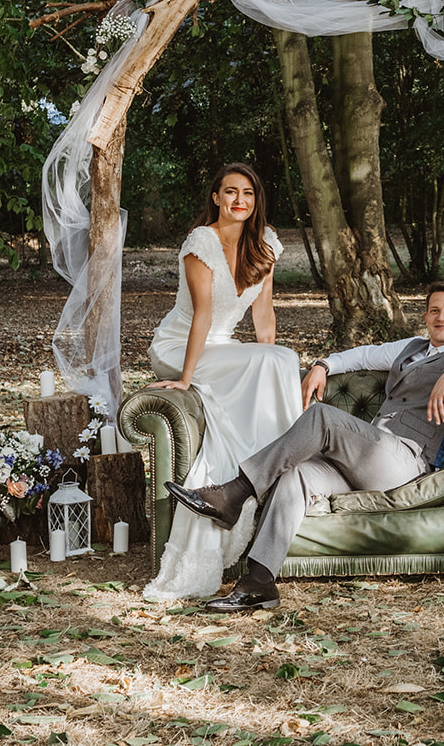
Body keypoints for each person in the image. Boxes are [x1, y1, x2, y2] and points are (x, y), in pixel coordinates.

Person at [166, 280, 444, 612]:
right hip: (367, 461)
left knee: (322, 417)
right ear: (424, 316)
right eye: (435, 310)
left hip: (406, 463)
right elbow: (363, 357)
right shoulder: (410, 347)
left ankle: (234, 494)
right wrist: (323, 365)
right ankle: (259, 582)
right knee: (297, 474)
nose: (442, 317)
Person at [141, 163, 303, 602]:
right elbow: (203, 316)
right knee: (272, 362)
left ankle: (279, 471)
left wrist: (270, 355)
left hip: (224, 348)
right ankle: (275, 472)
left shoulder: (265, 242)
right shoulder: (201, 243)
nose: (239, 201)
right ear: (216, 198)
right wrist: (185, 380)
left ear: (256, 199)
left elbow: (263, 313)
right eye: (230, 192)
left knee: (282, 358)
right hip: (180, 346)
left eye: (247, 193)